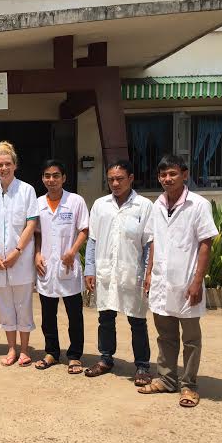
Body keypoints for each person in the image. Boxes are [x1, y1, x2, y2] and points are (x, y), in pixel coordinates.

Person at [139, 154, 218, 408]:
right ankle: (166, 379)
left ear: (184, 175)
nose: (167, 179)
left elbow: (206, 243)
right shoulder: (157, 205)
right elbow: (153, 241)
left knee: (191, 338)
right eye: (163, 174)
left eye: (172, 173)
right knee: (165, 335)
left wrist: (197, 281)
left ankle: (189, 385)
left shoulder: (199, 205)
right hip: (161, 281)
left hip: (186, 282)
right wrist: (149, 273)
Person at [83, 159, 153, 387]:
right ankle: (106, 359)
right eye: (111, 179)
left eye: (120, 179)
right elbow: (93, 239)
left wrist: (147, 273)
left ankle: (142, 365)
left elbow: (149, 243)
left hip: (132, 272)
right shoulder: (100, 205)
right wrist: (90, 268)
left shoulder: (144, 206)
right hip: (105, 270)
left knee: (137, 320)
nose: (115, 183)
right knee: (105, 318)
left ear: (130, 178)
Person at [0, 141, 38, 367]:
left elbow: (31, 223)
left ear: (15, 165)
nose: (4, 168)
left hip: (20, 259)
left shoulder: (27, 190)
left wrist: (17, 251)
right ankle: (11, 348)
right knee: (4, 306)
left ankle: (25, 349)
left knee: (23, 305)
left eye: (7, 164)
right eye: (0, 164)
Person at [33, 160, 88, 373]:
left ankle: (74, 356)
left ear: (64, 178)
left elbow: (84, 229)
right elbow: (37, 233)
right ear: (42, 179)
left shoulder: (75, 201)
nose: (51, 180)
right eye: (47, 176)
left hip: (68, 266)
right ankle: (52, 352)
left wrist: (72, 251)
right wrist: (37, 254)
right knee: (48, 315)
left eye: (56, 175)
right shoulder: (38, 203)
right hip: (46, 266)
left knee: (75, 315)